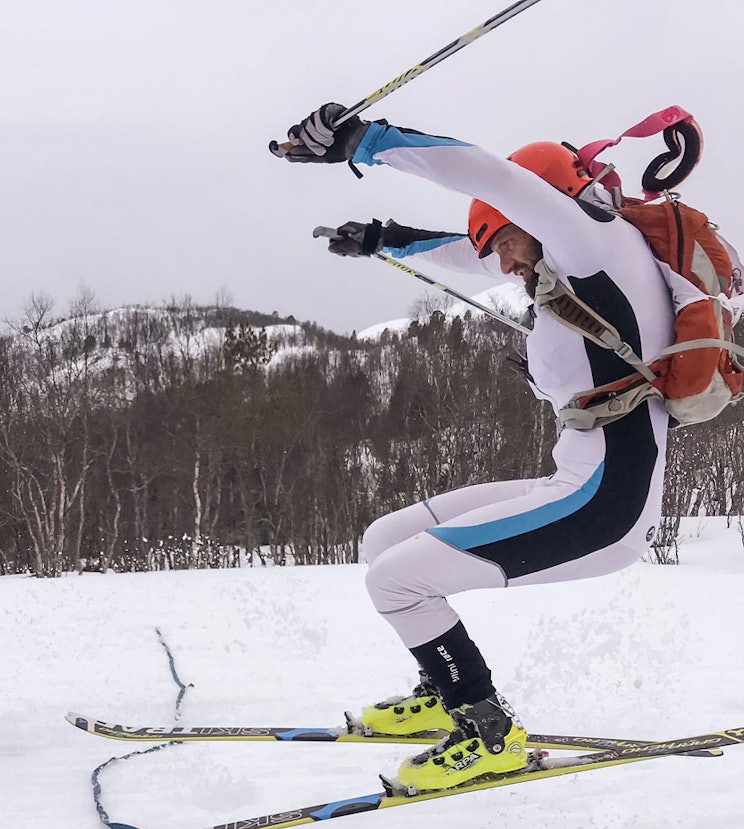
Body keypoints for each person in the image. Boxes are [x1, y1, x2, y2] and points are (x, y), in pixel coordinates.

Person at [280, 103, 697, 791]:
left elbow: (488, 176)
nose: (502, 264)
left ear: (544, 204)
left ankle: (487, 730)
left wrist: (363, 141)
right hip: (574, 482)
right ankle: (438, 691)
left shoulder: (593, 239)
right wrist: (385, 239)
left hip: (607, 505)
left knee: (395, 581)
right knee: (385, 542)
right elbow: (468, 248)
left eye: (505, 242)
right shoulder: (581, 259)